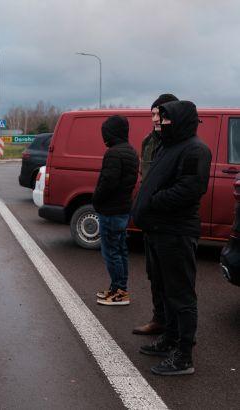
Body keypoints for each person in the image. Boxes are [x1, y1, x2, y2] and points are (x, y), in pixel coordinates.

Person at [132, 100, 212, 376]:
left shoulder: (195, 150)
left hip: (176, 232)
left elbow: (189, 189)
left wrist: (152, 202)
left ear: (180, 121)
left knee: (181, 295)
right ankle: (170, 339)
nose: (161, 123)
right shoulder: (169, 145)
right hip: (158, 230)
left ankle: (184, 356)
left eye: (166, 120)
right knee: (165, 290)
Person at [133, 93, 179, 335]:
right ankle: (159, 319)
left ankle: (174, 329)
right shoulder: (148, 142)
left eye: (159, 114)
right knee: (154, 274)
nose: (154, 119)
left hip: (168, 220)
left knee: (173, 279)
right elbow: (145, 176)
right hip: (150, 219)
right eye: (152, 114)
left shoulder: (178, 144)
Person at [93, 115, 139, 306]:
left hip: (111, 211)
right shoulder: (131, 151)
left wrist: (96, 199)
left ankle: (120, 292)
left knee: (111, 252)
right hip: (122, 209)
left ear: (111, 133)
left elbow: (108, 182)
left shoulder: (113, 153)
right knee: (120, 251)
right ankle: (118, 288)